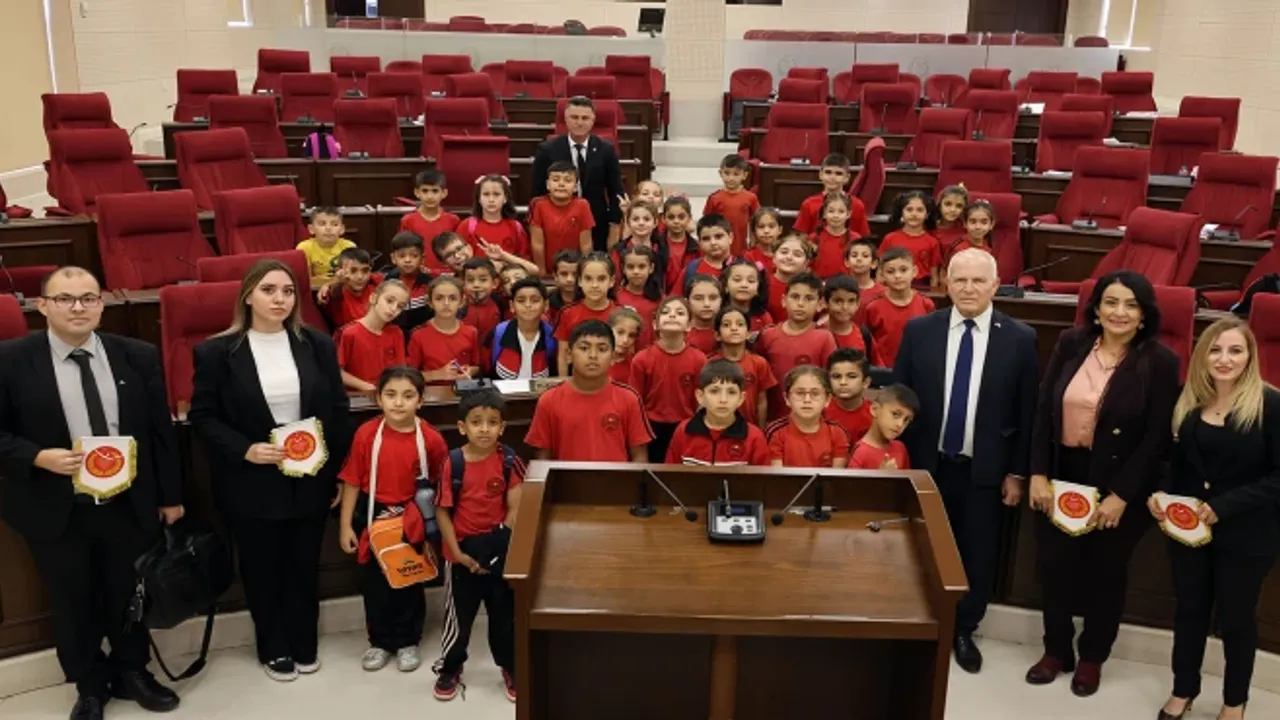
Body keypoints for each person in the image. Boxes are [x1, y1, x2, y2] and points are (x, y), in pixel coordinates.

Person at [0, 267, 183, 720]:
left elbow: (160, 432)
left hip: (127, 501)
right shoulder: (10, 360)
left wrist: (170, 496)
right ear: (42, 306)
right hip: (55, 505)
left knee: (128, 593)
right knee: (72, 600)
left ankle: (133, 671)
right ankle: (89, 684)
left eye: (88, 298)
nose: (78, 307)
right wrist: (37, 456)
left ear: (102, 304)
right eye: (65, 299)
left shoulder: (136, 355)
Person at [189, 259, 352, 682]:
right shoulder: (216, 352)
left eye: (288, 291)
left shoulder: (317, 344)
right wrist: (245, 450)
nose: (280, 299)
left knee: (303, 563)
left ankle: (304, 640)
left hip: (310, 474)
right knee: (262, 568)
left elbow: (337, 410)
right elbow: (202, 417)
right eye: (268, 290)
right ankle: (273, 645)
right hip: (252, 478)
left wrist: (336, 472)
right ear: (247, 296)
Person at [1023, 269, 1180, 696]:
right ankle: (1056, 650)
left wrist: (1122, 495)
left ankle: (1092, 657)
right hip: (1063, 472)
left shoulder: (1161, 362)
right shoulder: (1071, 343)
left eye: (1131, 304)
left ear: (1144, 315)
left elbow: (1157, 437)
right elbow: (1044, 410)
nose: (1119, 312)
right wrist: (1038, 472)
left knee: (1105, 574)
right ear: (1096, 308)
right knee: (1054, 567)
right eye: (1111, 302)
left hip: (1120, 480)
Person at [894, 248, 1038, 675]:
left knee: (976, 552)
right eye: (960, 280)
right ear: (946, 284)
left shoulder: (1020, 338)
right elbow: (899, 399)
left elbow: (1027, 412)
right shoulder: (920, 330)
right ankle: (921, 624)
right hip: (926, 465)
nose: (969, 289)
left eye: (978, 281)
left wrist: (1017, 472)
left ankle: (963, 628)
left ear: (995, 286)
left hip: (984, 471)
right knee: (920, 549)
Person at [1153, 319, 1280, 720]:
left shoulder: (1271, 405)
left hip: (1247, 534)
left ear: (1250, 356)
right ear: (1202, 356)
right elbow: (1175, 464)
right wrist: (1161, 494)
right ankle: (1183, 690)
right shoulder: (1188, 399)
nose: (1224, 359)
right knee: (1189, 611)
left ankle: (1233, 703)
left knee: (1236, 619)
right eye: (1215, 350)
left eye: (1235, 350)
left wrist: (1225, 505)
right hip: (1189, 531)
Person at [337, 366, 448, 674]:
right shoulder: (366, 434)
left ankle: (408, 640)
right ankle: (379, 641)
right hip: (373, 514)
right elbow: (352, 481)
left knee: (410, 579)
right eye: (391, 395)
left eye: (408, 396)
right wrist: (345, 526)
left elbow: (441, 486)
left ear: (421, 401)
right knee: (374, 583)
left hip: (413, 516)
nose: (398, 403)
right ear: (379, 398)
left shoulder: (431, 439)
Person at [434, 390, 524, 704]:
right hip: (461, 554)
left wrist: (496, 547)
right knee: (458, 620)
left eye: (492, 422)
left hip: (498, 552)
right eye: (476, 422)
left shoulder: (509, 460)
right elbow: (442, 511)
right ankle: (450, 668)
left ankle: (511, 667)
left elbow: (516, 507)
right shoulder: (453, 463)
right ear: (462, 427)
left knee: (504, 618)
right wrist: (458, 554)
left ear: (502, 427)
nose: (484, 429)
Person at [526, 320, 653, 461]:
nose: (593, 355)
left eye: (602, 349)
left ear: (612, 357)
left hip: (616, 476)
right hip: (567, 476)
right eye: (584, 348)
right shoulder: (549, 400)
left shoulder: (629, 399)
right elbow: (542, 457)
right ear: (569, 355)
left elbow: (639, 455)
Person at [532, 96, 625, 251]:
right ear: (565, 119)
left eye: (585, 118)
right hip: (558, 222)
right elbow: (537, 191)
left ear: (593, 120)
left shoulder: (606, 150)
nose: (579, 122)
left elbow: (616, 190)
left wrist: (614, 225)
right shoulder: (547, 150)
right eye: (574, 117)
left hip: (596, 222)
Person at [629, 297, 708, 462]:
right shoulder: (642, 359)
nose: (672, 315)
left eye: (679, 313)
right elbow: (635, 401)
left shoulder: (699, 359)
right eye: (665, 312)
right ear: (655, 324)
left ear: (689, 325)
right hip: (650, 427)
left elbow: (701, 401)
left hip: (685, 426)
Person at [756, 273, 837, 422]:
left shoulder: (825, 338)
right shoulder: (767, 335)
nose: (800, 304)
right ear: (784, 300)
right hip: (774, 419)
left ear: (820, 304)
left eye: (809, 298)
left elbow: (831, 382)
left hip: (812, 419)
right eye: (795, 297)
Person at [665, 359, 771, 466]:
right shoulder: (683, 432)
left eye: (731, 392)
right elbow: (669, 474)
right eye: (714, 391)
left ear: (741, 398)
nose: (723, 400)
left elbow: (763, 476)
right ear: (700, 396)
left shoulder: (754, 437)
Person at [766, 366, 851, 468]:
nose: (807, 400)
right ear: (787, 398)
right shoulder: (775, 432)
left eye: (815, 393)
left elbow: (837, 475)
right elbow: (776, 475)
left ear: (827, 399)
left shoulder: (837, 432)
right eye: (800, 393)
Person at [863, 247, 935, 366]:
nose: (897, 276)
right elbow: (867, 343)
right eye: (890, 271)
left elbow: (932, 341)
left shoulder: (926, 304)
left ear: (914, 271)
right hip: (884, 371)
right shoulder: (873, 308)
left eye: (903, 270)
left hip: (917, 369)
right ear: (882, 275)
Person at [336, 279, 409, 391]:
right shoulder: (349, 333)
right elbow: (336, 371)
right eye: (389, 301)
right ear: (373, 298)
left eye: (400, 306)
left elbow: (400, 370)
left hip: (387, 395)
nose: (393, 309)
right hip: (358, 396)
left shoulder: (396, 333)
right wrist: (365, 386)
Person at [553, 252, 618, 373]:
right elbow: (563, 355)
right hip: (580, 380)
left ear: (612, 281)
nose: (594, 285)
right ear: (579, 281)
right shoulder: (568, 313)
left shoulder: (620, 314)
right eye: (588, 278)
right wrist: (564, 380)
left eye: (601, 279)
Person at [408, 276, 481, 383]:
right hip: (431, 392)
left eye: (452, 298)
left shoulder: (471, 332)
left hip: (462, 390)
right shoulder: (418, 335)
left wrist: (470, 371)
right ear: (430, 302)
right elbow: (410, 375)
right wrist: (437, 374)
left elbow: (477, 366)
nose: (446, 303)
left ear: (461, 302)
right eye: (439, 298)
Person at [712, 306, 776, 427]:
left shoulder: (759, 363)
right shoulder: (710, 364)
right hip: (719, 426)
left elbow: (761, 402)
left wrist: (761, 429)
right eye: (726, 325)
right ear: (717, 335)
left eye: (740, 324)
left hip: (750, 427)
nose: (734, 328)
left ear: (748, 333)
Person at [529, 160, 594, 273]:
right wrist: (541, 272)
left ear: (575, 187)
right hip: (547, 269)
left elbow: (586, 244)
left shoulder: (582, 205)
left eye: (567, 180)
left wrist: (585, 271)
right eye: (556, 180)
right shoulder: (538, 205)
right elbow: (537, 244)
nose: (561, 184)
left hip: (574, 270)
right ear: (548, 185)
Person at [490, 278, 556, 380]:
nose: (528, 305)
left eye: (535, 300)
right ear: (512, 306)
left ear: (546, 305)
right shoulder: (499, 331)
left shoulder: (551, 335)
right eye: (521, 301)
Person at [792, 153, 871, 238]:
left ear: (847, 178)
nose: (832, 177)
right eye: (828, 172)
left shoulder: (857, 205)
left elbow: (863, 238)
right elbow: (801, 237)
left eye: (838, 173)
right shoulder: (808, 204)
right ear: (821, 174)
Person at [399, 168, 460, 274]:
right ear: (417, 192)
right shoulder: (408, 221)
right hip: (418, 275)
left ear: (444, 193)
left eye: (435, 191)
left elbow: (458, 252)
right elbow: (403, 251)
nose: (430, 196)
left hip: (447, 275)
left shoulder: (453, 220)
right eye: (425, 191)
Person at [848, 383, 918, 470]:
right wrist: (882, 475)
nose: (900, 424)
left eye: (906, 420)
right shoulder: (859, 452)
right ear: (874, 409)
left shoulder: (900, 448)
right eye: (895, 414)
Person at [457, 175, 529, 260]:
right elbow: (457, 257)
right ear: (479, 198)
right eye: (486, 194)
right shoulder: (467, 226)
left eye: (496, 194)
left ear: (505, 198)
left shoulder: (516, 227)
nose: (491, 199)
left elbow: (524, 259)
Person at [881, 191, 942, 288]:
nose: (914, 214)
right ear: (901, 212)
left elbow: (934, 275)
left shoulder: (932, 242)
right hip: (893, 285)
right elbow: (880, 270)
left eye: (920, 210)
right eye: (909, 209)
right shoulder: (890, 238)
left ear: (927, 214)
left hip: (922, 287)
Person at [702, 154, 760, 256]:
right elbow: (707, 224)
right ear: (720, 173)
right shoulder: (714, 198)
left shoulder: (751, 198)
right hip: (719, 249)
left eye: (736, 174)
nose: (731, 178)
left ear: (744, 175)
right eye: (727, 173)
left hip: (741, 248)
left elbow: (756, 221)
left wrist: (753, 240)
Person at [317, 247, 382, 329]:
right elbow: (334, 293)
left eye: (365, 271)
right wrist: (335, 282)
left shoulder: (374, 286)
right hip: (349, 335)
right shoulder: (338, 292)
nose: (360, 277)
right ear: (339, 272)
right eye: (353, 271)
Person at [823, 274, 878, 363]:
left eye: (851, 301)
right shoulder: (817, 333)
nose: (845, 307)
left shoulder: (863, 334)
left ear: (858, 303)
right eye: (838, 301)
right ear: (825, 302)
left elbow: (876, 366)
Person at [297, 206, 356, 288]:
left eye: (335, 224)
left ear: (342, 229)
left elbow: (352, 278)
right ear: (311, 229)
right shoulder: (304, 247)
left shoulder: (349, 247)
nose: (328, 228)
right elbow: (306, 281)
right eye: (322, 224)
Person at [824, 348, 873, 443]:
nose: (843, 382)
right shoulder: (820, 413)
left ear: (866, 382)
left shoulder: (876, 415)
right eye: (836, 376)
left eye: (851, 376)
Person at [810, 193, 859, 280]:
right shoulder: (814, 238)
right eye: (831, 211)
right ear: (824, 213)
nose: (836, 216)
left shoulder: (855, 239)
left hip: (846, 283)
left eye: (841, 211)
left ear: (848, 214)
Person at [766, 233, 812, 324]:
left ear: (806, 263)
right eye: (784, 252)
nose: (789, 257)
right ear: (774, 257)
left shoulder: (812, 288)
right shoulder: (762, 284)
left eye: (797, 255)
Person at [685, 274, 723, 356]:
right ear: (687, 302)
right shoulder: (680, 334)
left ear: (721, 301)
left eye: (713, 298)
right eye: (698, 298)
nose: (707, 304)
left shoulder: (728, 332)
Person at [607, 307, 643, 383]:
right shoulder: (594, 359)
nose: (625, 340)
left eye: (631, 336)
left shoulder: (635, 366)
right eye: (620, 332)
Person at [934, 185, 969, 249]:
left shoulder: (967, 230)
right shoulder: (929, 227)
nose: (952, 210)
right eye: (948, 204)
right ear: (939, 205)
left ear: (964, 209)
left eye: (959, 206)